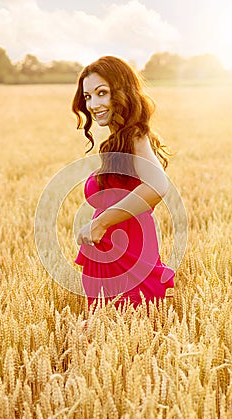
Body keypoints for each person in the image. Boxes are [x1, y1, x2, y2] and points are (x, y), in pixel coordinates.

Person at [72, 55, 175, 308]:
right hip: (111, 263)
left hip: (129, 267)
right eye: (87, 97)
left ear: (121, 92)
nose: (94, 104)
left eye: (102, 93)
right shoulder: (118, 140)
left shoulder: (134, 135)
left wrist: (100, 222)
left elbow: (157, 185)